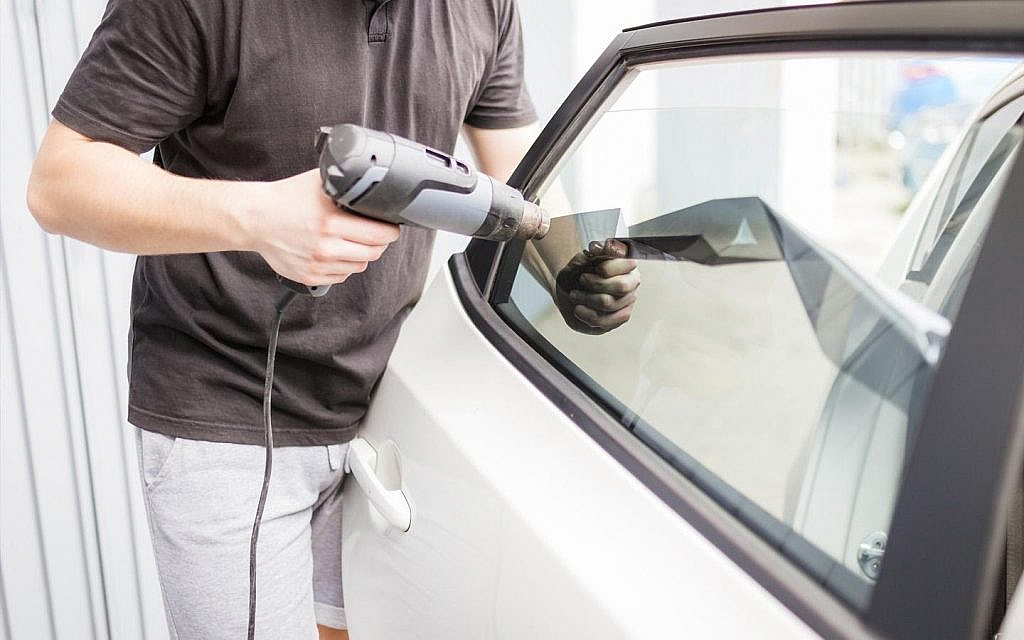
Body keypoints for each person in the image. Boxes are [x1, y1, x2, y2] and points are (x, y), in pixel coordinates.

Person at [27, 0, 639, 638]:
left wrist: (576, 270)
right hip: (229, 413)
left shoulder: (483, 8)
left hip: (383, 412)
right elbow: (61, 184)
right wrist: (260, 218)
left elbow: (522, 174)